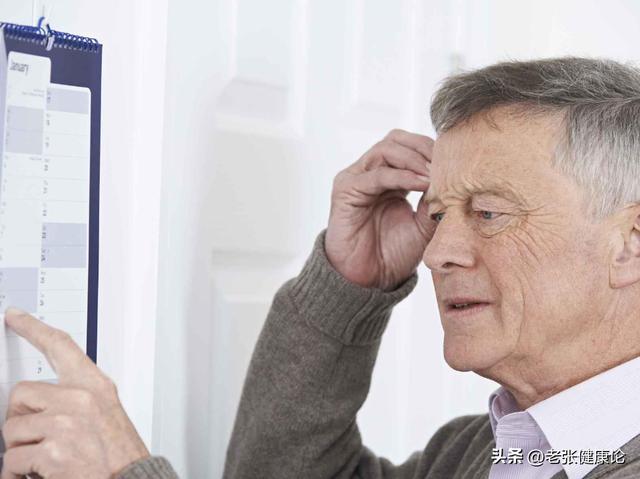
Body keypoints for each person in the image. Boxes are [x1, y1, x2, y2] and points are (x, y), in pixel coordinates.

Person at [5, 56, 640, 479]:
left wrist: (123, 472)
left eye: (490, 213)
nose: (438, 252)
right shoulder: (489, 452)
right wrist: (349, 286)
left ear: (630, 243)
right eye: (439, 213)